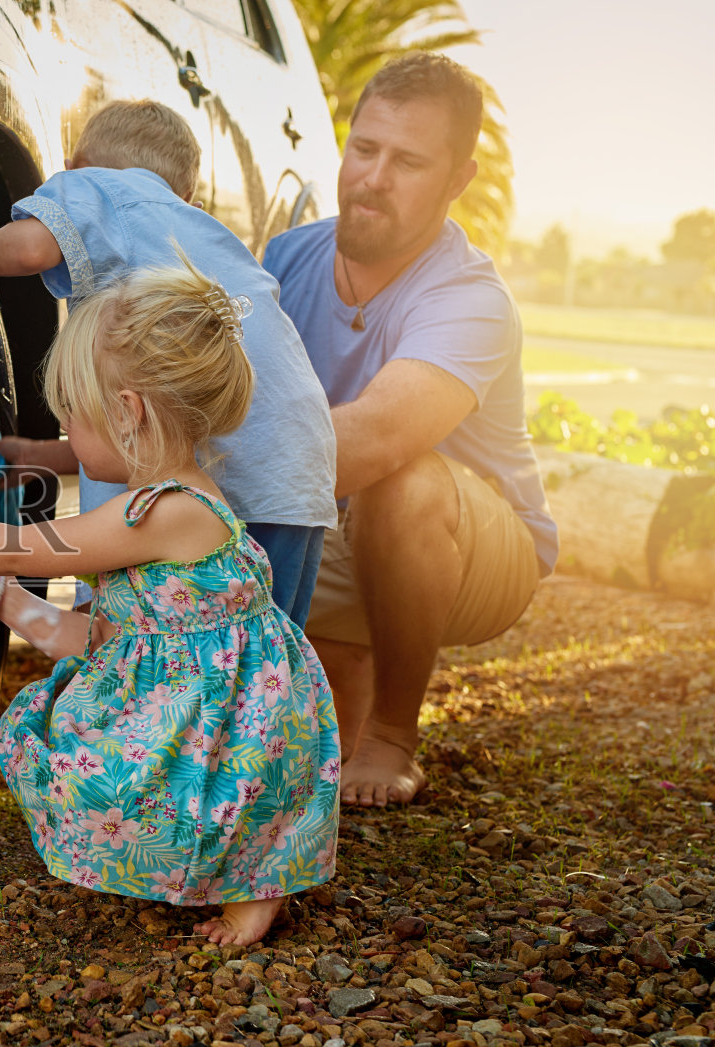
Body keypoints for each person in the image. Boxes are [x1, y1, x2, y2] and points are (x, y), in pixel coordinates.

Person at [0, 262, 340, 947]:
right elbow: (95, 639)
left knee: (189, 795)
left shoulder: (162, 511)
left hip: (238, 723)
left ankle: (257, 889)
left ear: (128, 413)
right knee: (85, 752)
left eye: (72, 414)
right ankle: (233, 872)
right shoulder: (174, 507)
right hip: (207, 699)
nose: (64, 427)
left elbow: (21, 548)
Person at [262, 53, 557, 808]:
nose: (373, 177)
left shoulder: (470, 299)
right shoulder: (288, 257)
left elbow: (377, 438)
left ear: (459, 178)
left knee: (400, 475)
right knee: (298, 756)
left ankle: (395, 732)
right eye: (365, 149)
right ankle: (350, 687)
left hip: (470, 547)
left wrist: (187, 499)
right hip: (332, 517)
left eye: (409, 161)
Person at [0, 99, 337, 627]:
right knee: (256, 657)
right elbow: (167, 427)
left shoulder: (99, 186)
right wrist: (38, 454)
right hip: (295, 469)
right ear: (187, 195)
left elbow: (28, 251)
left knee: (114, 619)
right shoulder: (208, 235)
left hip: (223, 473)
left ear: (74, 166)